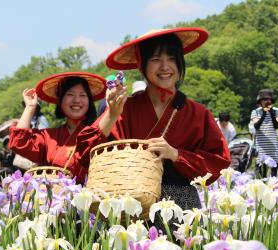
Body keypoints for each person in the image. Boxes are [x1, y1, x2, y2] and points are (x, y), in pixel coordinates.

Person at [76, 27, 231, 211]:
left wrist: (176, 155)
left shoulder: (198, 113)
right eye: (156, 59)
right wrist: (111, 114)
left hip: (181, 204)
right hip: (129, 204)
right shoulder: (125, 108)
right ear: (142, 64)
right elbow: (85, 154)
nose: (165, 67)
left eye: (172, 59)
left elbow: (217, 161)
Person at [9, 72, 106, 184]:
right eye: (70, 94)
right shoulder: (48, 136)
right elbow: (19, 143)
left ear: (89, 101)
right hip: (55, 198)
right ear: (60, 101)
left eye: (83, 95)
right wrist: (30, 107)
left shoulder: (98, 132)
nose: (76, 100)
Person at [250, 89, 278, 177]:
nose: (266, 101)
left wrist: (271, 113)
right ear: (260, 101)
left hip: (273, 146)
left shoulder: (276, 112)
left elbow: (276, 126)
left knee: (275, 173)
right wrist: (264, 114)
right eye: (264, 100)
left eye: (268, 100)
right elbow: (256, 126)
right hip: (261, 147)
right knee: (261, 173)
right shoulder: (255, 112)